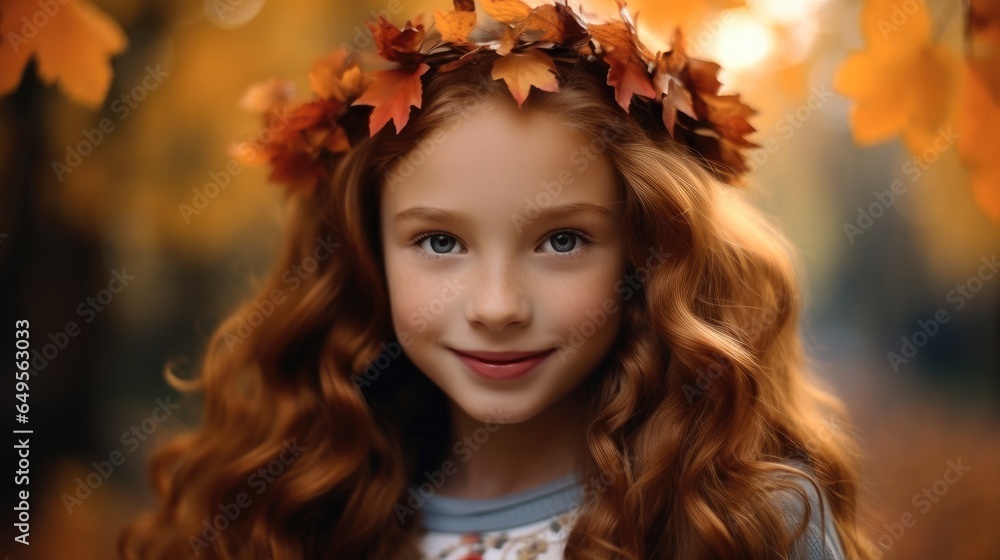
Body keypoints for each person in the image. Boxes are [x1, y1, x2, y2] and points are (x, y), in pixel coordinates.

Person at [119, 1, 878, 559]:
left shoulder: (742, 526)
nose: (497, 307)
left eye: (562, 240)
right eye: (441, 241)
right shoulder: (291, 521)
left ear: (646, 253)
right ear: (366, 256)